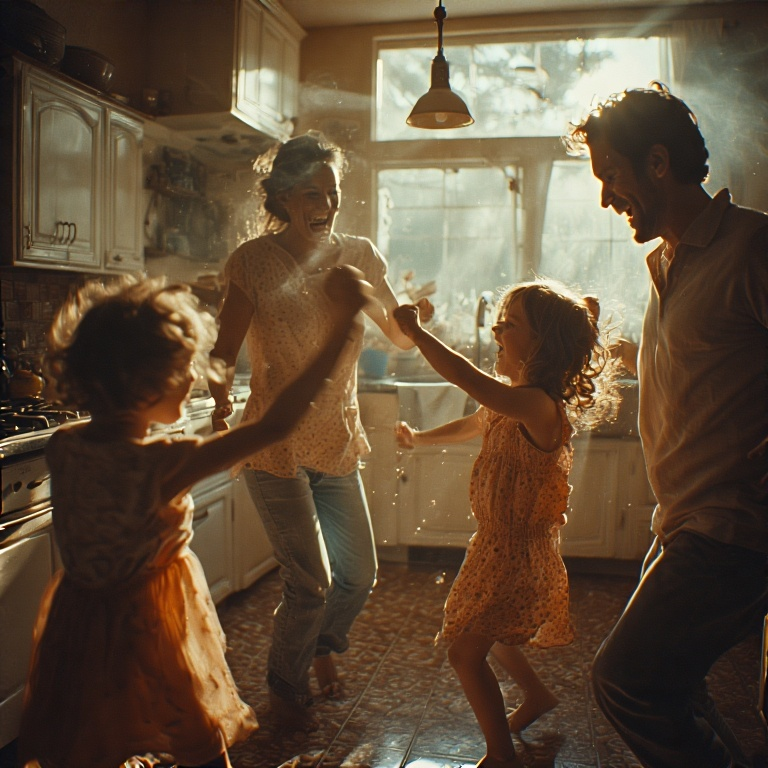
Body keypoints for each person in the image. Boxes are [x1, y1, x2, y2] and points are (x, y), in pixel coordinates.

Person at [17, 268, 370, 768]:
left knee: (93, 740)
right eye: (183, 367)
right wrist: (342, 324)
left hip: (76, 627)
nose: (193, 378)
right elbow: (278, 423)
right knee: (198, 742)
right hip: (147, 630)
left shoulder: (63, 447)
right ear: (141, 380)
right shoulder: (162, 463)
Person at [565, 83, 768, 768]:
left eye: (611, 176)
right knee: (674, 689)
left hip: (730, 529)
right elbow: (704, 366)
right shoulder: (668, 263)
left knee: (624, 681)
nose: (605, 198)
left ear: (658, 162)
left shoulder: (754, 247)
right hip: (681, 521)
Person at [208, 131, 433, 730]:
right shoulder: (253, 262)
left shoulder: (359, 256)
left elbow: (399, 335)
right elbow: (223, 350)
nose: (326, 204)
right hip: (272, 442)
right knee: (310, 580)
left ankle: (324, 649)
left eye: (332, 192)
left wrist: (414, 318)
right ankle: (286, 685)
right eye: (312, 193)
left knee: (358, 574)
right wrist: (215, 389)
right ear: (282, 197)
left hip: (336, 437)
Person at [394, 279, 618, 768]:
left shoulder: (537, 405)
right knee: (486, 633)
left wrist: (417, 335)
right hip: (494, 545)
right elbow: (473, 422)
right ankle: (536, 697)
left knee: (464, 653)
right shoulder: (511, 401)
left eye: (510, 323)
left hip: (517, 550)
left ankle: (501, 755)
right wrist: (420, 440)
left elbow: (469, 380)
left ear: (542, 344)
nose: (496, 326)